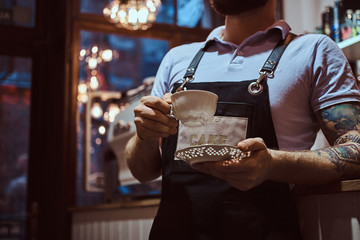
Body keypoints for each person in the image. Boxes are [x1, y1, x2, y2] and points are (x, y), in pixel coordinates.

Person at [125, 0, 360, 239]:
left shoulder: (314, 50)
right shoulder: (177, 59)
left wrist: (273, 164)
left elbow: (356, 151)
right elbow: (142, 172)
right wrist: (144, 135)